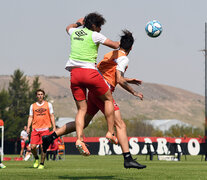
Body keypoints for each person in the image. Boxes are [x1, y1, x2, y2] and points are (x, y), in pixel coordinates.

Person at [43, 30, 146, 169]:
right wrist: (134, 92)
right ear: (131, 48)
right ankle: (127, 158)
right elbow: (119, 80)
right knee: (120, 124)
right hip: (103, 93)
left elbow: (105, 73)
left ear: (119, 44)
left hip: (94, 90)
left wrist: (129, 80)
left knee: (83, 122)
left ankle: (50, 137)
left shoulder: (110, 54)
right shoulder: (124, 58)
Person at [55, 12, 119, 156]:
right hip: (89, 73)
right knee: (108, 98)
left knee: (81, 110)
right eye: (99, 26)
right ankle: (110, 132)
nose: (100, 29)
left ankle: (79, 139)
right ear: (94, 25)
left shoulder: (74, 32)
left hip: (74, 75)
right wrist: (125, 43)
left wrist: (78, 23)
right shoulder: (94, 35)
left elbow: (68, 27)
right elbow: (114, 45)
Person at [27, 89, 56, 169]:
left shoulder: (48, 105)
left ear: (44, 95)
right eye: (38, 94)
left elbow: (52, 115)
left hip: (45, 129)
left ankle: (42, 164)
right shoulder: (32, 106)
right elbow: (30, 117)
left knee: (43, 147)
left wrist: (54, 127)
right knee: (32, 147)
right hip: (35, 129)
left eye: (41, 94)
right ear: (36, 96)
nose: (40, 96)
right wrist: (28, 127)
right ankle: (36, 158)